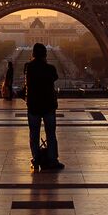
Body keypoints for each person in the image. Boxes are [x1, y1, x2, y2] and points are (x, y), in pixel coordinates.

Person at [25, 42, 63, 170]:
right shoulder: (50, 68)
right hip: (48, 105)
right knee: (51, 134)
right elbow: (54, 78)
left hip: (34, 105)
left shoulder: (29, 67)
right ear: (45, 54)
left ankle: (36, 159)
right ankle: (53, 160)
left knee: (34, 135)